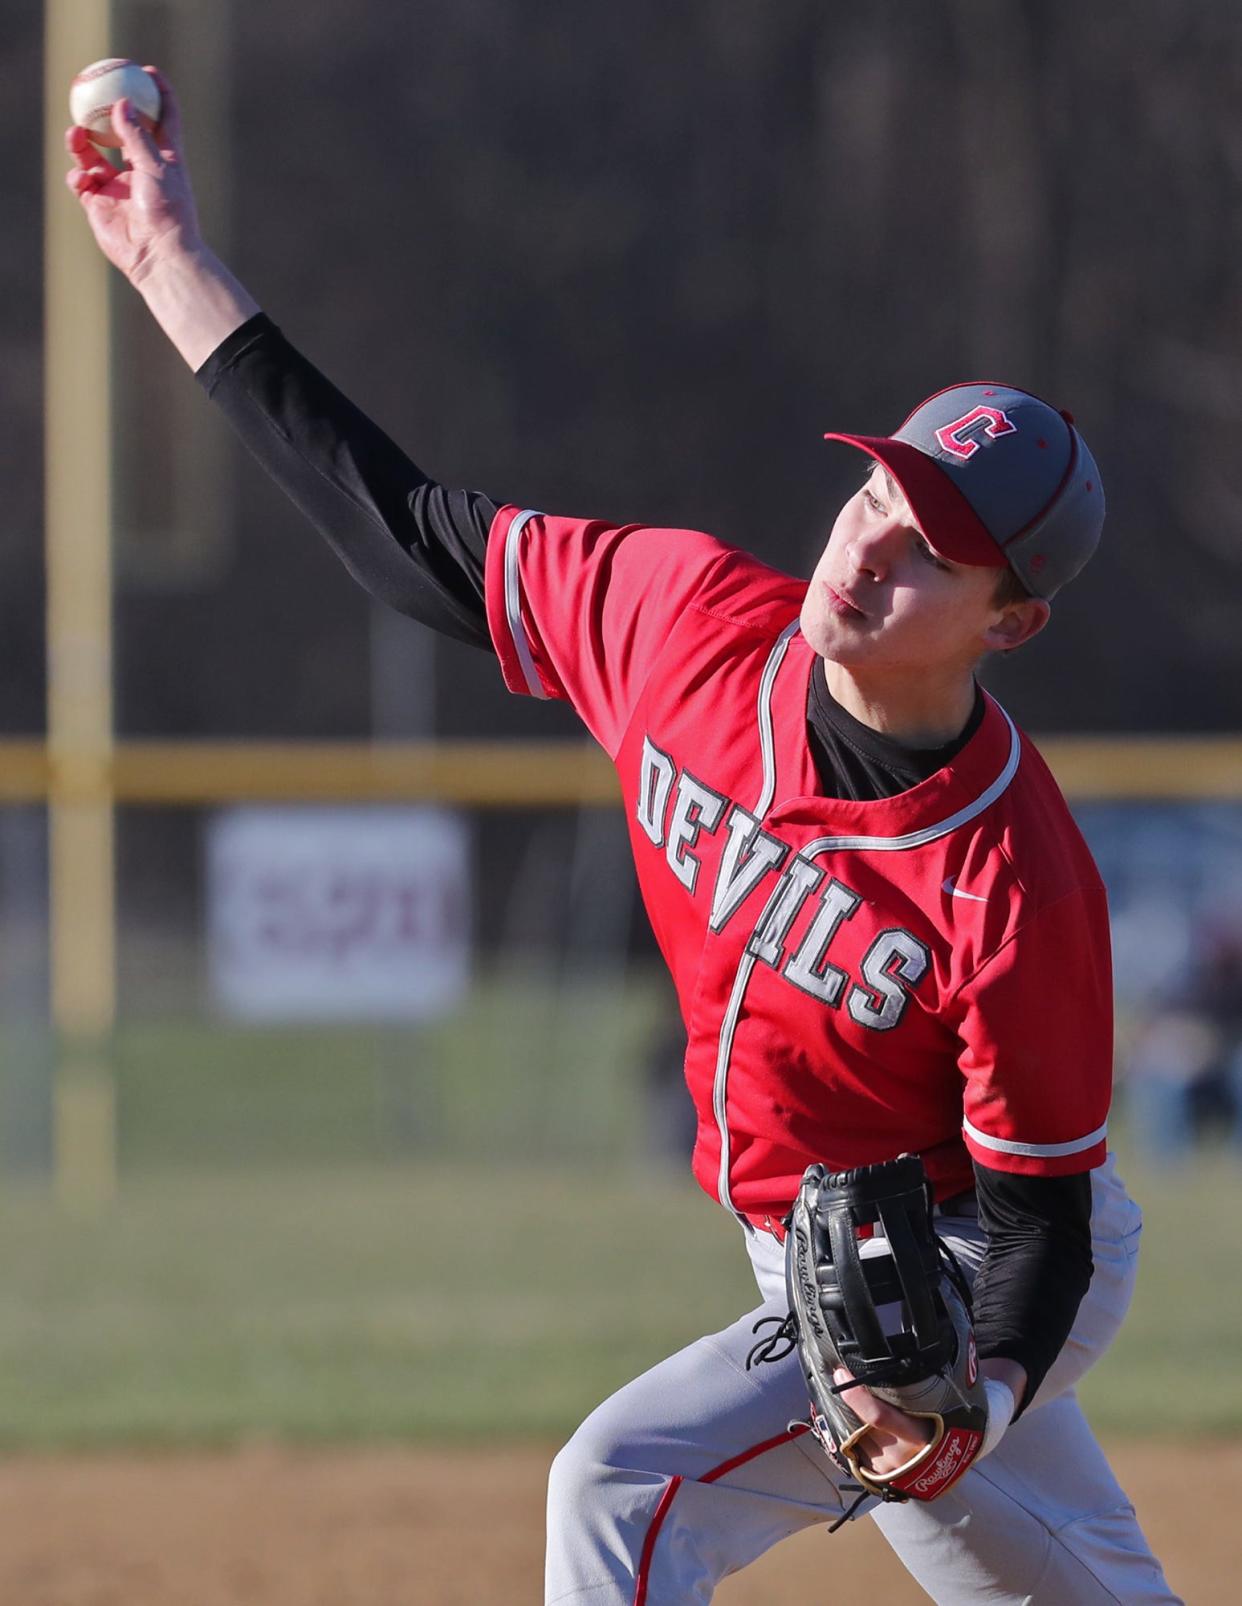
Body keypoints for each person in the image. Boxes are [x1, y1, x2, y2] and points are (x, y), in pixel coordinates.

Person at [66, 76, 1180, 1604]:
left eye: (934, 549)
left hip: (961, 1270)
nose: (869, 544)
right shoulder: (679, 621)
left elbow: (1045, 1219)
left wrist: (970, 1396)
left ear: (1012, 619)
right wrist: (168, 262)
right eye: (876, 489)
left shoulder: (1011, 878)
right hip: (825, 1259)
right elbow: (406, 536)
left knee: (621, 1480)